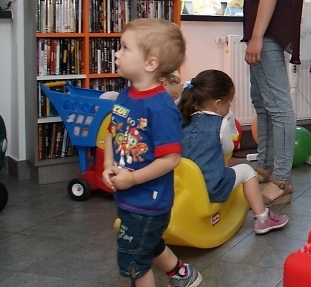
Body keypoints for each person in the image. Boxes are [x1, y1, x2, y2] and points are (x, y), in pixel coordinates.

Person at [100, 18, 202, 287]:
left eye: (124, 48)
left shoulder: (161, 108)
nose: (117, 54)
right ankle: (183, 275)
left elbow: (171, 158)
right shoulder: (125, 95)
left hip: (149, 202)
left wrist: (132, 179)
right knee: (149, 243)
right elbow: (113, 132)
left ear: (150, 63)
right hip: (128, 195)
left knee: (134, 261)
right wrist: (109, 164)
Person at [231, 0, 305, 206]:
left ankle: (282, 180)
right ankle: (265, 166)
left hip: (269, 31)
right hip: (263, 30)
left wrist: (258, 35)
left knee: (277, 106)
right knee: (263, 101)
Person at [178, 69, 289, 235]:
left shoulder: (182, 119)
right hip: (212, 188)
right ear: (217, 103)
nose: (230, 106)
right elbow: (228, 149)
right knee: (247, 171)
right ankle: (262, 217)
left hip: (186, 186)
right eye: (229, 102)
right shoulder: (220, 124)